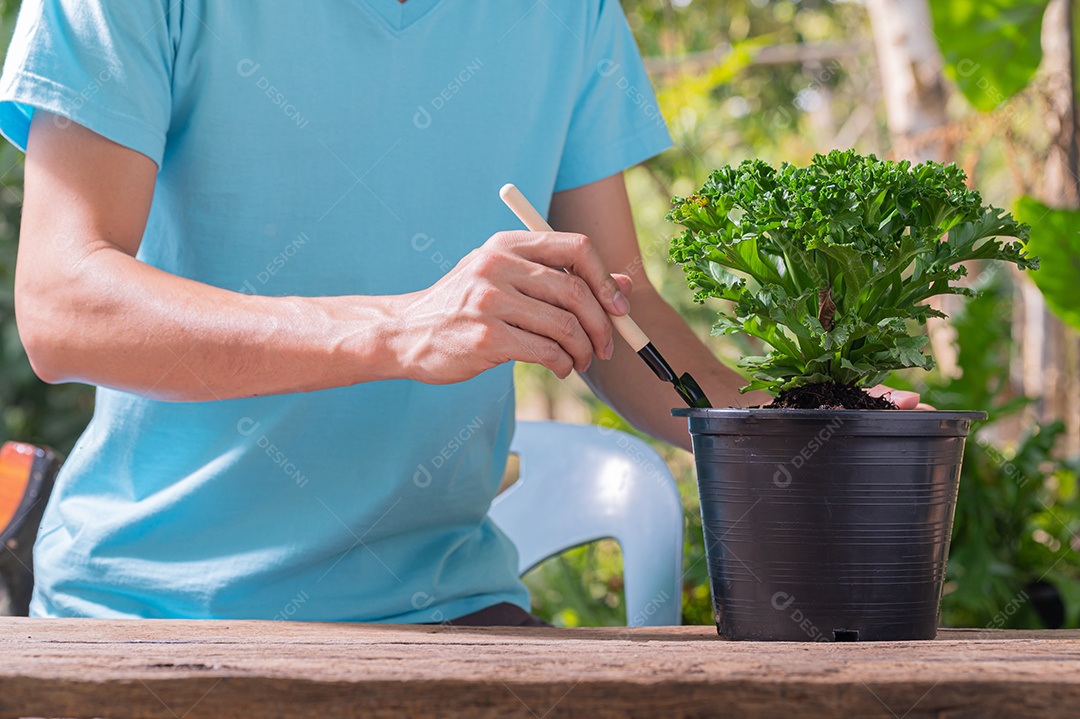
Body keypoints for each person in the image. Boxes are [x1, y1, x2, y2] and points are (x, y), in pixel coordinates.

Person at [0, 1, 923, 625]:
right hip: (147, 612)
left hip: (444, 610)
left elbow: (615, 306)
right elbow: (63, 303)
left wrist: (797, 432)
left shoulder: (569, 16)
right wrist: (403, 329)